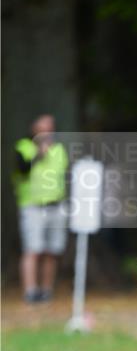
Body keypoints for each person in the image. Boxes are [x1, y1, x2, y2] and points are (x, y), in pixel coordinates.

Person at [14, 114, 69, 302]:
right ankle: (30, 291)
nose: (47, 131)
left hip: (56, 206)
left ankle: (46, 291)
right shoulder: (24, 147)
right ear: (34, 128)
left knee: (52, 251)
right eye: (43, 127)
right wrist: (38, 154)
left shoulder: (59, 149)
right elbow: (21, 169)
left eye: (50, 127)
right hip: (32, 206)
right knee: (32, 249)